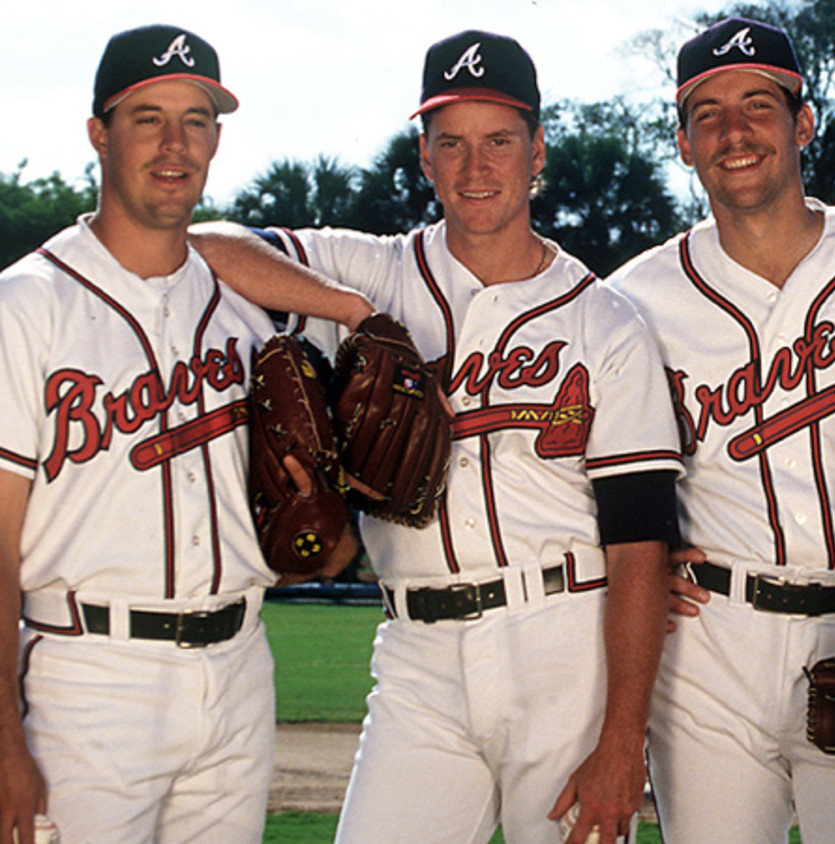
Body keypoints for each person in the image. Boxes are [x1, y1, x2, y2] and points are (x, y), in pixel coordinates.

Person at [190, 29, 683, 844]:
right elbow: (208, 249)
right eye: (450, 143)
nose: (475, 166)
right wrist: (355, 315)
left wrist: (622, 742)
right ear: (424, 157)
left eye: (498, 141)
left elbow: (639, 545)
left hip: (564, 647)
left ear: (538, 153)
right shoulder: (374, 269)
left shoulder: (605, 320)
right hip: (417, 653)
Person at [0, 24, 363, 844]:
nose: (174, 145)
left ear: (216, 139)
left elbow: (314, 539)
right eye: (147, 117)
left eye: (195, 120)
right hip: (85, 678)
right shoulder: (26, 307)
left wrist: (327, 530)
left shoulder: (248, 320)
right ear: (99, 132)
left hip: (238, 670)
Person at [606, 16, 835, 844]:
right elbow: (576, 471)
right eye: (708, 113)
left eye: (759, 105)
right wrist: (622, 569)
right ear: (685, 144)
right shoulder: (632, 299)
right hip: (708, 652)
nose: (735, 131)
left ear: (803, 123)